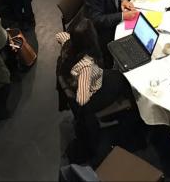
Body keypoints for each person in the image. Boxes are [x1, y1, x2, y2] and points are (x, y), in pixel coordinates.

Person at [55, 17, 133, 150]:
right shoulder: (86, 65)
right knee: (126, 80)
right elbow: (83, 99)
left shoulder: (68, 44)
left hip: (84, 79)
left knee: (116, 75)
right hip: (91, 96)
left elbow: (59, 35)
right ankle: (131, 120)